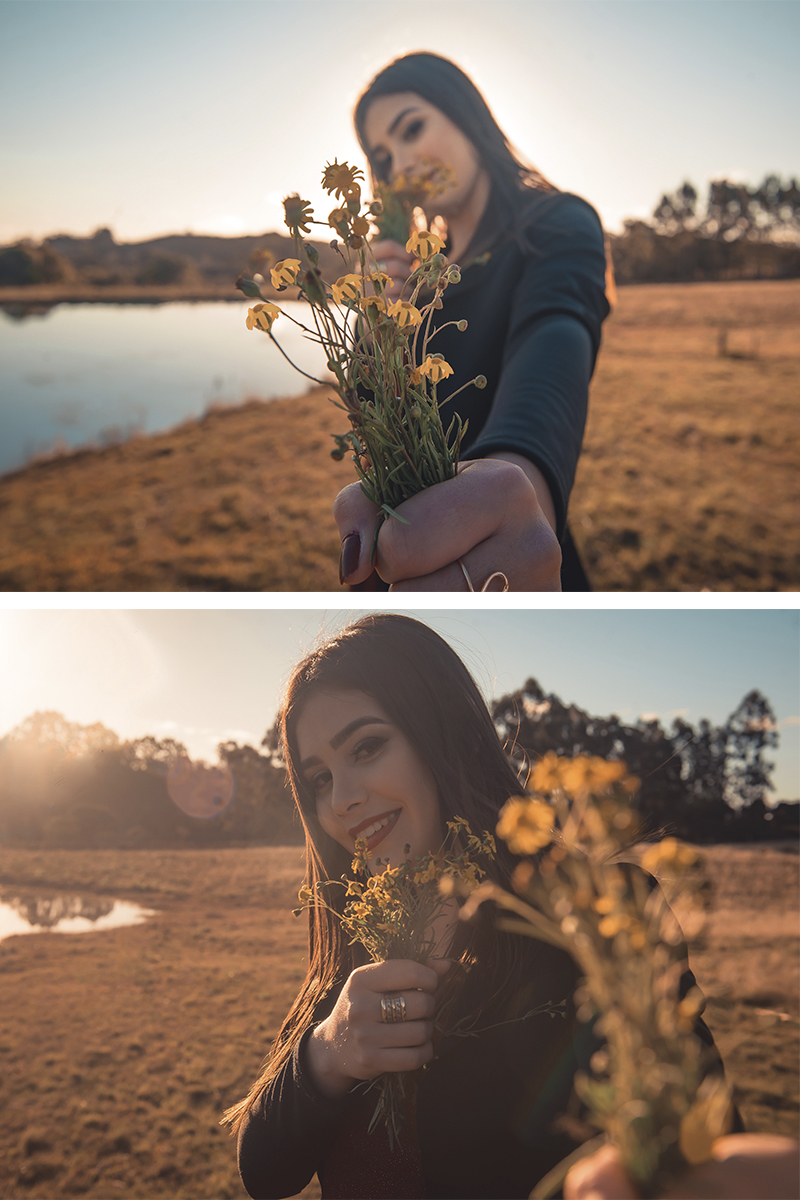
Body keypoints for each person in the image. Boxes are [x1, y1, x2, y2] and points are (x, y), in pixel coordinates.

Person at [223, 613, 782, 1200]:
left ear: (443, 729)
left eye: (367, 746)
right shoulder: (362, 942)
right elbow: (264, 1171)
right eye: (317, 778)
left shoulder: (597, 914)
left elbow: (704, 1155)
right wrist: (328, 1053)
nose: (341, 800)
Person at [333, 53, 612, 593]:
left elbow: (554, 341)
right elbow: (374, 424)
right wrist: (374, 329)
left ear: (468, 116)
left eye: (413, 129)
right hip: (396, 563)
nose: (404, 164)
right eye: (384, 158)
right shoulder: (410, 282)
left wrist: (518, 490)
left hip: (510, 562)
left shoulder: (557, 223)